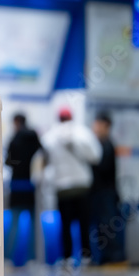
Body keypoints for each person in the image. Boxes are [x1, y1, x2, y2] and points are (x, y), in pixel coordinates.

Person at [41, 107, 102, 265]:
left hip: (62, 187)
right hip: (82, 185)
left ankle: (67, 257)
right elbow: (96, 156)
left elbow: (44, 162)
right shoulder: (83, 133)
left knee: (65, 224)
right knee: (84, 224)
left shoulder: (50, 137)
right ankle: (86, 257)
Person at [5, 113, 42, 264]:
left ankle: (9, 258)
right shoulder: (34, 138)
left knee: (13, 223)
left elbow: (9, 161)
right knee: (33, 225)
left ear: (16, 122)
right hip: (31, 186)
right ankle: (32, 258)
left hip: (16, 185)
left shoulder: (14, 139)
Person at [90, 112, 126, 265]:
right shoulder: (99, 145)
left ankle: (115, 257)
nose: (95, 127)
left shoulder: (107, 145)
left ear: (106, 126)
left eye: (98, 124)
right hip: (100, 193)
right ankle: (105, 257)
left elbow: (104, 168)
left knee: (108, 227)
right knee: (102, 227)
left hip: (106, 193)